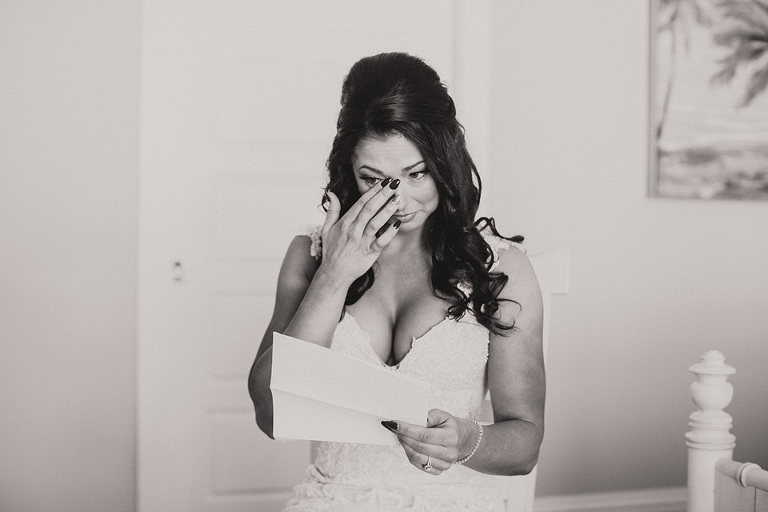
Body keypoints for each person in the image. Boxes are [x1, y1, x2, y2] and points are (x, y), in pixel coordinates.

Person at [248, 52, 544, 511]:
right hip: (332, 499)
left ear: (445, 162)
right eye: (374, 179)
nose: (399, 200)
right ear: (348, 172)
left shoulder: (500, 267)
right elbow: (271, 415)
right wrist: (334, 274)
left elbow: (524, 445)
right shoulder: (311, 254)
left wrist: (467, 441)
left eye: (416, 174)